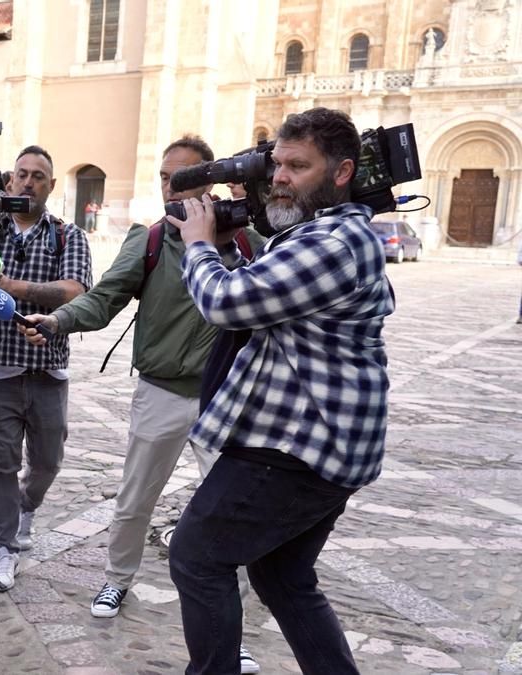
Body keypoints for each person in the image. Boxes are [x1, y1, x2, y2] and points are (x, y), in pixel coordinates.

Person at [21, 135, 263, 673]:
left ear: (210, 182)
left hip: (226, 399)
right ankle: (117, 579)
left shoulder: (248, 242)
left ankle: (233, 631)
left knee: (233, 515)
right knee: (134, 501)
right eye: (164, 178)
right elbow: (104, 297)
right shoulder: (150, 240)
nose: (171, 188)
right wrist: (58, 320)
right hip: (161, 391)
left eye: (184, 179)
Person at [166, 107, 394, 675]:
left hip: (302, 445)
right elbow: (259, 287)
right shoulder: (316, 233)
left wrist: (197, 243)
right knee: (282, 574)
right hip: (319, 441)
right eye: (278, 165)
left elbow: (227, 303)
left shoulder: (336, 242)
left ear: (342, 172)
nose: (281, 177)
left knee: (196, 556)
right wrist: (225, 243)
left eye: (298, 166)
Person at [0, 145, 92, 591]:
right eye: (21, 174)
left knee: (47, 462)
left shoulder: (67, 235)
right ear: (9, 180)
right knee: (0, 463)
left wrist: (9, 287)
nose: (28, 182)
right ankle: (4, 546)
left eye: (38, 176)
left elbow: (74, 291)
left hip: (48, 369)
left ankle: (26, 507)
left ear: (51, 185)